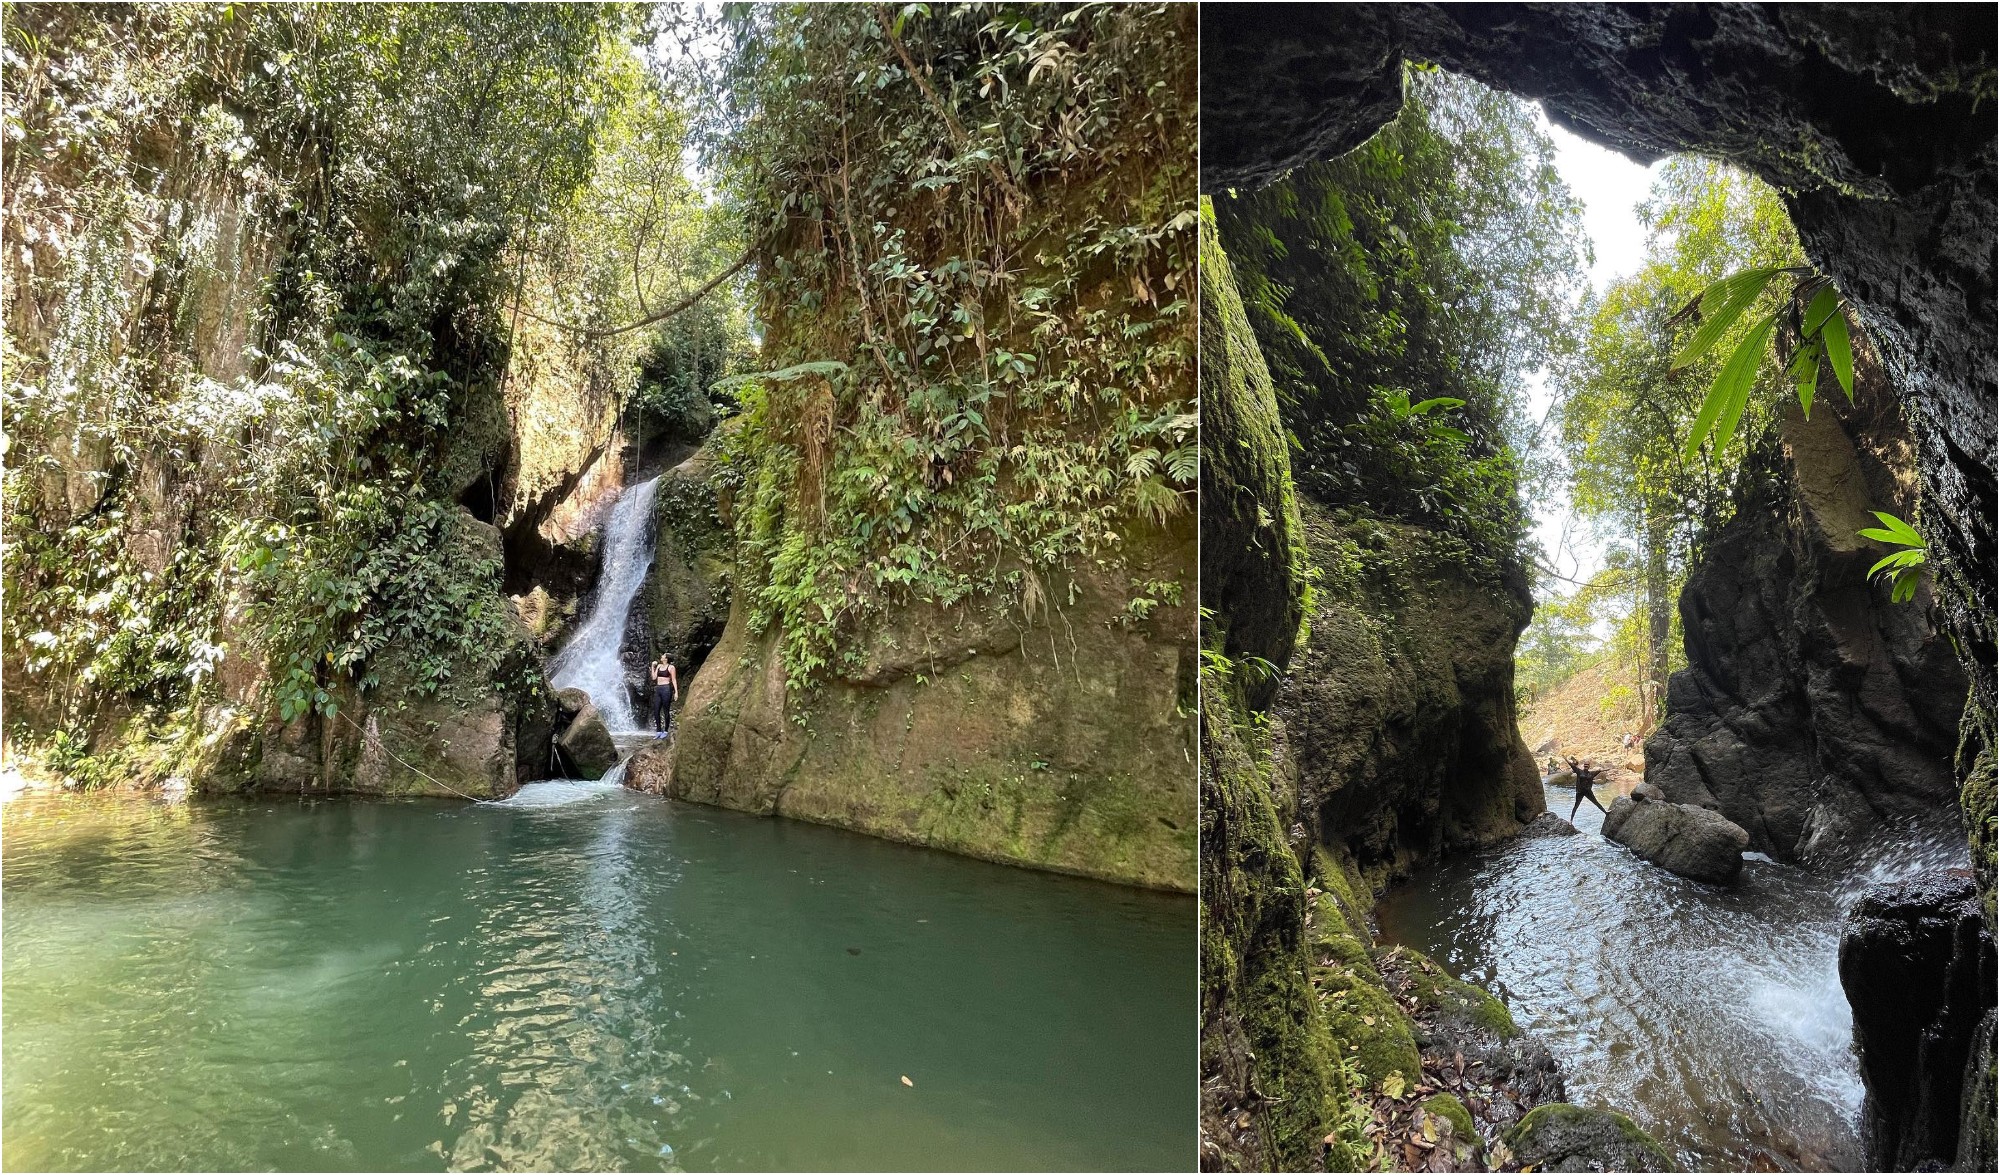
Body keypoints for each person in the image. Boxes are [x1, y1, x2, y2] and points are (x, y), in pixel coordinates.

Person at [1566, 755, 1606, 821]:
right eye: (1585, 765)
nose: (1586, 766)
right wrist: (1565, 759)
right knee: (1576, 806)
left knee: (1596, 803)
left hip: (1588, 791)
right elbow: (1572, 765)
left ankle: (1605, 812)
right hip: (1580, 792)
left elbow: (1599, 770)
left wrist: (1603, 769)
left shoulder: (1591, 773)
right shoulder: (1579, 771)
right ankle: (1571, 820)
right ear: (1584, 766)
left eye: (1587, 765)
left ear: (1589, 766)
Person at [649, 653, 679, 738]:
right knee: (656, 710)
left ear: (666, 659)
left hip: (666, 689)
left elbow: (673, 680)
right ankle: (658, 730)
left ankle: (665, 730)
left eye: (663, 656)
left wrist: (676, 692)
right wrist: (652, 666)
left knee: (666, 710)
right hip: (658, 689)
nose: (661, 657)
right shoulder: (658, 666)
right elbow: (654, 678)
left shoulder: (671, 667)